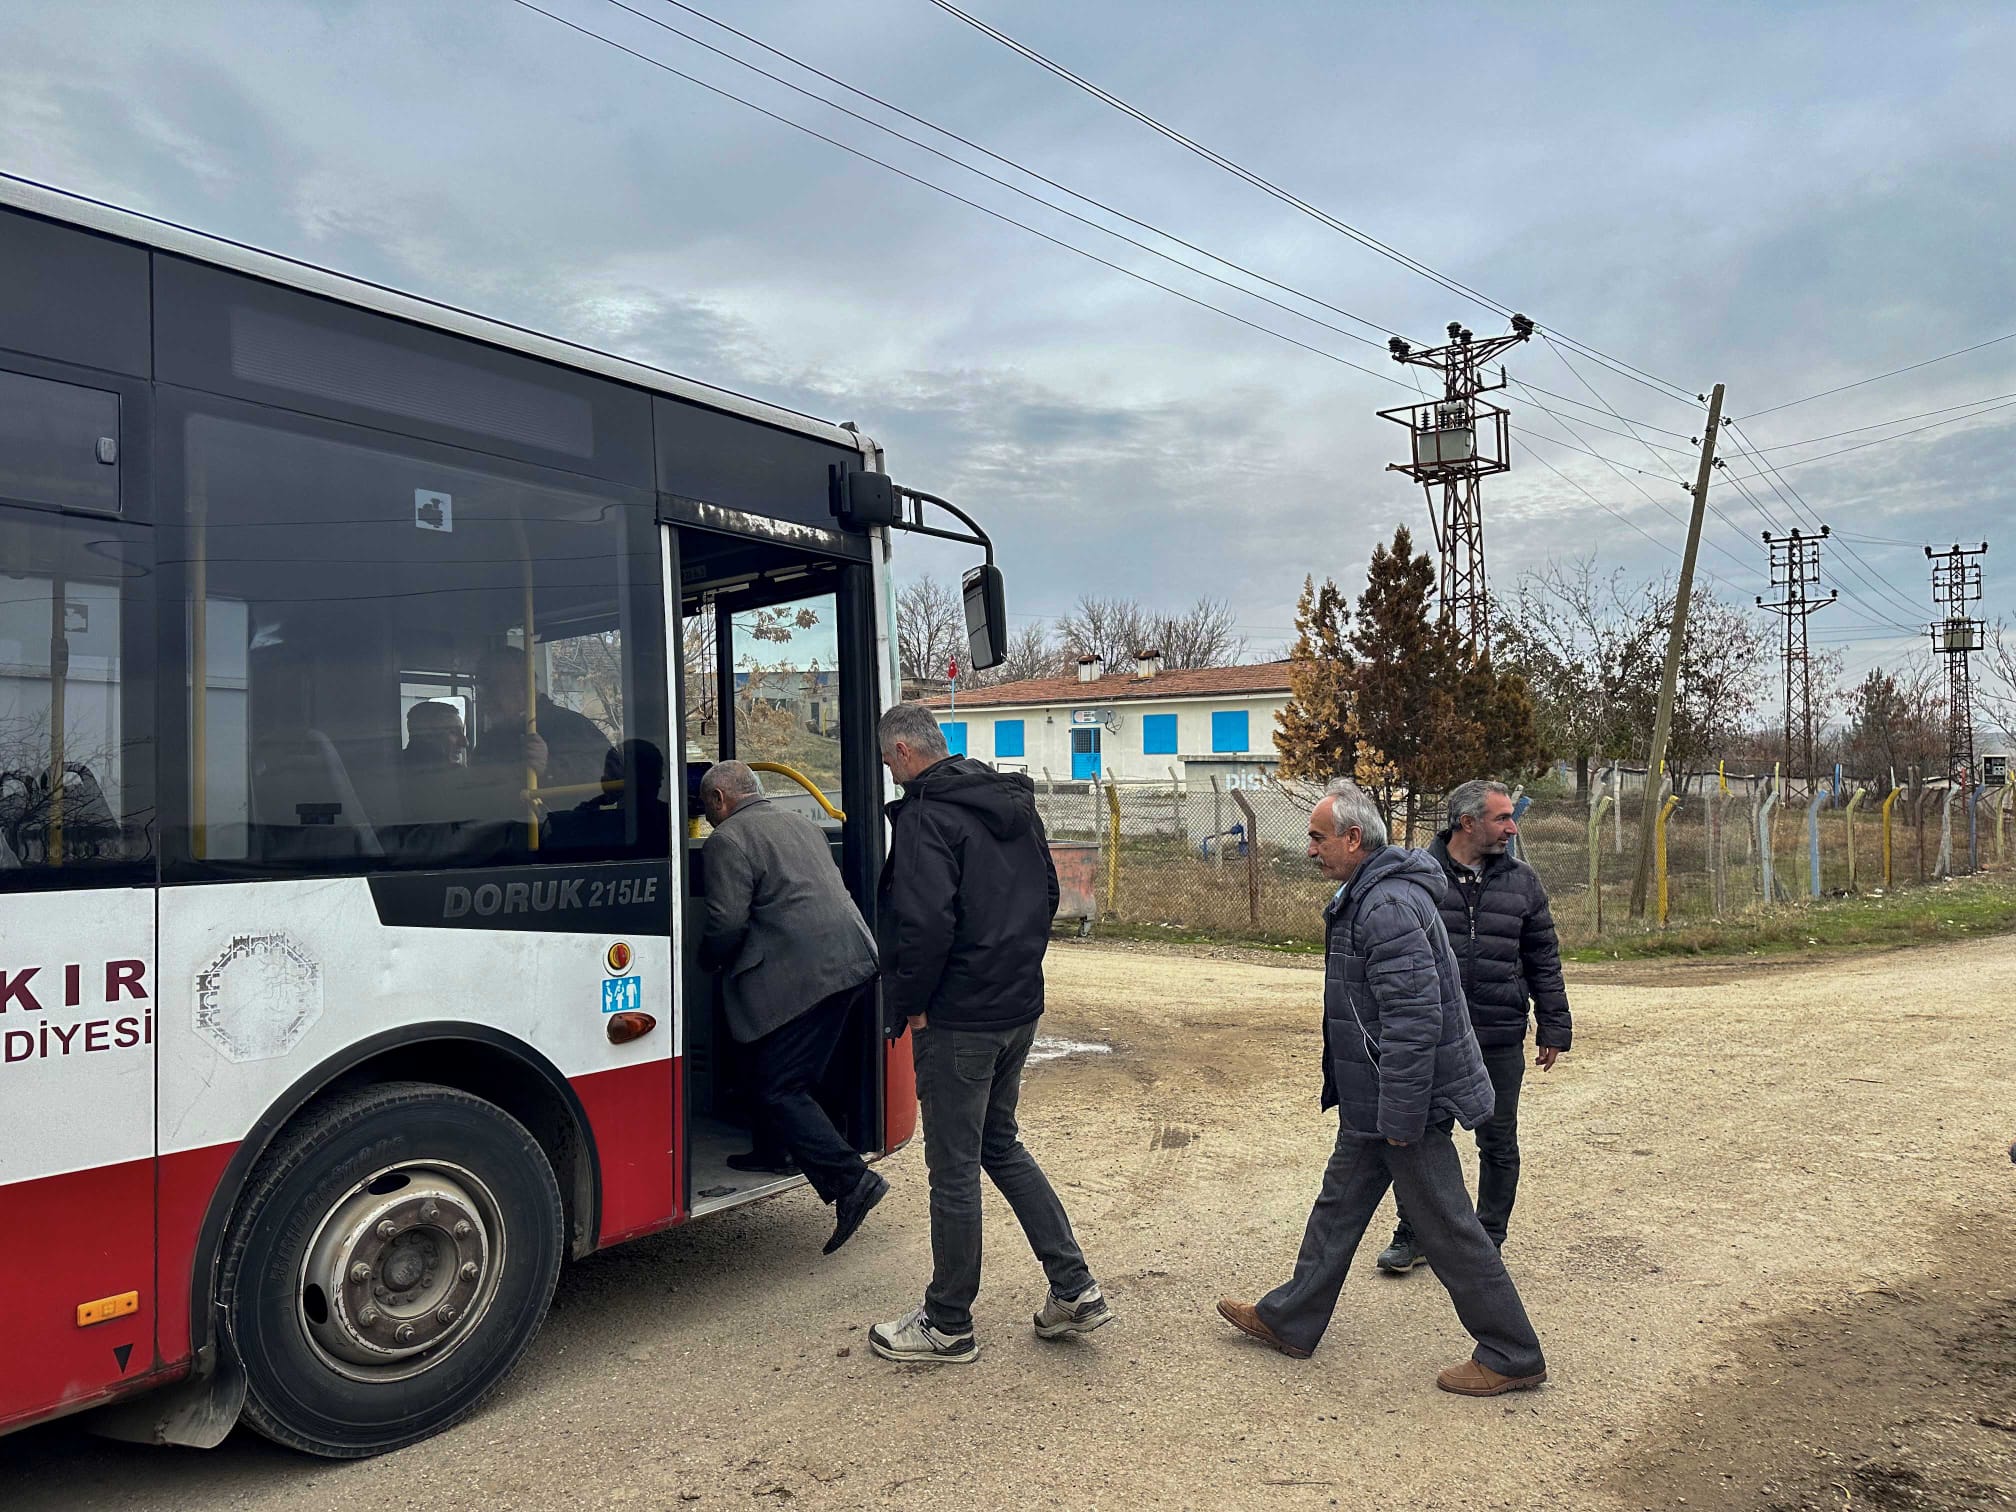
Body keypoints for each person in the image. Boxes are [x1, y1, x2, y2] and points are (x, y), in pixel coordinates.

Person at [1215, 779, 1547, 1397]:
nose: (1310, 850)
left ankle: (1512, 1352)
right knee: (1339, 1204)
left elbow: (1414, 1020)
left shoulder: (1385, 906)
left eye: (1317, 838)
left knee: (1448, 1226)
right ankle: (1291, 1319)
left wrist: (1400, 1114)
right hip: (1378, 1096)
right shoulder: (1371, 894)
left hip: (1402, 1101)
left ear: (1352, 838)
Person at [866, 703, 1112, 1365]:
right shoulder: (1010, 803)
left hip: (957, 1021)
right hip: (1016, 1008)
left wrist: (913, 1005)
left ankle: (947, 1323)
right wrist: (1017, 972)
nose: (890, 774)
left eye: (889, 761)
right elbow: (1047, 895)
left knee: (953, 1171)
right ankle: (1075, 1288)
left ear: (904, 753)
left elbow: (922, 924)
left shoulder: (924, 817)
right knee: (998, 1143)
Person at [1377, 779, 1572, 1274]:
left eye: (1511, 817)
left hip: (1499, 1034)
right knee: (1421, 1141)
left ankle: (1486, 1242)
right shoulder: (1417, 878)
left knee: (1498, 1143)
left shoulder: (1523, 881)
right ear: (1466, 822)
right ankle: (1415, 1233)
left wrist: (1553, 1025)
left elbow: (1543, 958)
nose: (1512, 827)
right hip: (1435, 1037)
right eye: (1502, 818)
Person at [697, 760, 888, 1254]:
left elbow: (726, 923)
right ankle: (773, 1150)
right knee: (766, 1058)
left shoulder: (728, 839)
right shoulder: (799, 821)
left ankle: (852, 1183)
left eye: (705, 809)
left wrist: (705, 963)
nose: (707, 821)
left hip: (804, 976)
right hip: (853, 959)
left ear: (719, 800)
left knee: (779, 1086)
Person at [472, 646, 615, 795]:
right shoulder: (490, 740)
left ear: (523, 688)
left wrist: (549, 768)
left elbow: (612, 778)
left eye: (491, 689)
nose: (483, 700)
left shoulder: (573, 727)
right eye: (480, 690)